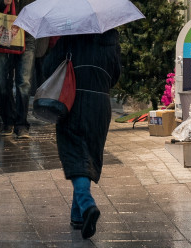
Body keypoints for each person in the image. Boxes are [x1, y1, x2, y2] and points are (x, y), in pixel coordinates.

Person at [42, 29, 121, 239]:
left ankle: (87, 205)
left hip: (72, 104)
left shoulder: (70, 39)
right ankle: (77, 217)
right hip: (100, 107)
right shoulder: (111, 40)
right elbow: (115, 76)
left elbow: (47, 68)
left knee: (76, 157)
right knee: (87, 157)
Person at [0, 0, 50, 139]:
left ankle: (22, 124)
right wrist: (2, 2)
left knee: (24, 81)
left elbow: (47, 6)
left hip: (28, 35)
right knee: (2, 79)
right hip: (5, 36)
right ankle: (7, 120)